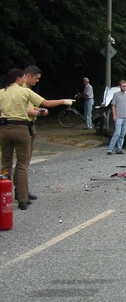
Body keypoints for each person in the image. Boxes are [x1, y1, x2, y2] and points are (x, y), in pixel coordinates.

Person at [0, 68, 74, 210]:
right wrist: (64, 101)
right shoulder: (24, 91)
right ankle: (22, 199)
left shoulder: (1, 92)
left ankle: (4, 195)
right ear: (19, 78)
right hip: (21, 129)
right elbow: (45, 103)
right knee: (22, 165)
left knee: (5, 164)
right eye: (22, 78)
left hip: (3, 129)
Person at [22, 66, 48, 165]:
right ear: (29, 75)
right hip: (24, 124)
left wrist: (40, 109)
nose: (37, 81)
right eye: (36, 78)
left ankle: (24, 170)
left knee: (29, 151)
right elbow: (19, 108)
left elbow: (31, 106)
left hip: (31, 124)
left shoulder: (27, 88)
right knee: (24, 153)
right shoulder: (22, 89)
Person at [107, 80, 126, 155]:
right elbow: (113, 105)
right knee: (117, 133)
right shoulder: (116, 95)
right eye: (123, 86)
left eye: (125, 86)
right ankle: (110, 148)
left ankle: (119, 148)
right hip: (119, 116)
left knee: (122, 134)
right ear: (120, 86)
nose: (124, 88)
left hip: (125, 117)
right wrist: (114, 115)